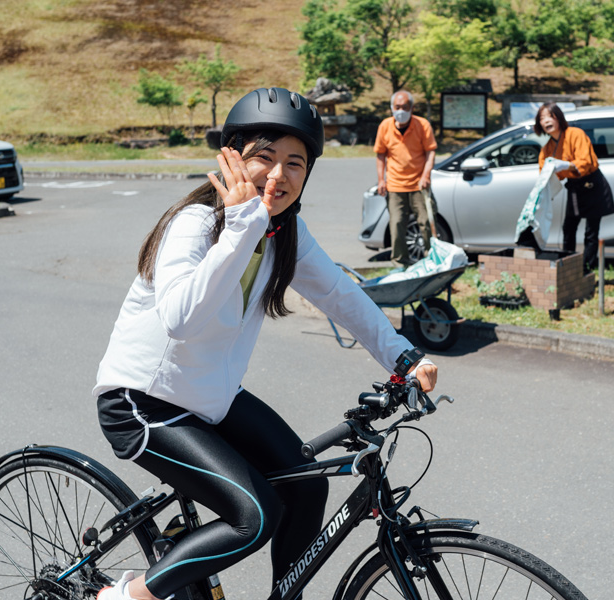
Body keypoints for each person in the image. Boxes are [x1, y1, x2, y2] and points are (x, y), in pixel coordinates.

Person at [92, 87, 438, 600]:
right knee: (254, 517)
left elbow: (341, 295)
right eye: (264, 157)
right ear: (232, 158)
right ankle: (126, 597)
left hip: (212, 398)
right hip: (145, 403)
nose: (278, 176)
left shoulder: (284, 234)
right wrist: (240, 225)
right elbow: (181, 319)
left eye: (295, 164)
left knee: (306, 483)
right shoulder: (195, 224)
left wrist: (404, 357)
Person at [535, 102, 614, 272]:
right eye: (542, 118)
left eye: (550, 116)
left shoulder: (576, 134)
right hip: (574, 187)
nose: (546, 120)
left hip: (593, 184)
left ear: (559, 118)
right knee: (568, 229)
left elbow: (585, 162)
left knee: (591, 233)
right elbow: (545, 174)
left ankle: (587, 268)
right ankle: (568, 266)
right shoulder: (546, 149)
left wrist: (565, 166)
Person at [373, 90, 437, 266]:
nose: (401, 111)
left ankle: (432, 260)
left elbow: (430, 152)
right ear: (392, 108)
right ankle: (401, 263)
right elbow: (380, 155)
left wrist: (426, 175)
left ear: (412, 108)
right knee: (397, 224)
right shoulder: (385, 126)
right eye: (397, 107)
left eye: (405, 107)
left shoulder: (422, 125)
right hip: (395, 185)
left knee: (427, 222)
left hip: (419, 185)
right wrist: (381, 180)